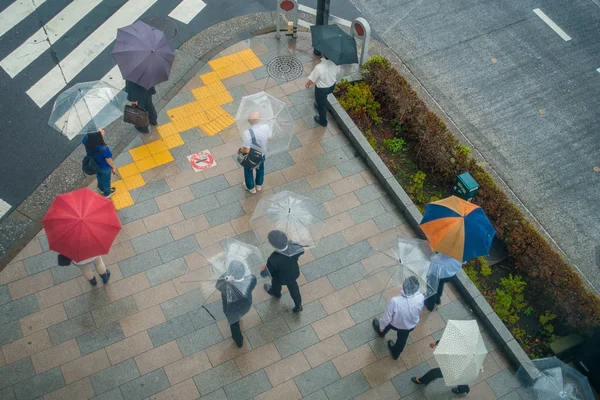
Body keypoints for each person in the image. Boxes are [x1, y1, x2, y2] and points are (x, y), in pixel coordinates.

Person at [372, 276, 425, 360]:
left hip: (395, 323)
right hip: (410, 325)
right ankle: (396, 353)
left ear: (404, 286)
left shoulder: (395, 301)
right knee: (402, 340)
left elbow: (387, 318)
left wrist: (382, 327)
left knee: (386, 325)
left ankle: (381, 332)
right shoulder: (421, 297)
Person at [215, 261, 257, 348]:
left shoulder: (227, 287)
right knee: (239, 316)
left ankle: (238, 340)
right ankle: (240, 318)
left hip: (231, 311)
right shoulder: (252, 279)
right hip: (245, 306)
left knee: (234, 325)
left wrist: (226, 279)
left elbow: (218, 286)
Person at [260, 230, 304, 312]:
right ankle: (298, 305)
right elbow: (301, 250)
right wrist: (291, 242)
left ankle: (276, 293)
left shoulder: (273, 258)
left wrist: (263, 271)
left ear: (272, 244)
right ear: (286, 238)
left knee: (275, 284)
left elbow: (268, 272)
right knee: (294, 289)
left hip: (279, 278)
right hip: (293, 273)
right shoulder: (294, 246)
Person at [237, 111, 273, 194]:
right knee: (260, 169)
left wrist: (239, 151)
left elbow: (246, 150)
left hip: (250, 157)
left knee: (248, 171)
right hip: (262, 154)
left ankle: (251, 188)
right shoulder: (266, 127)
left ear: (249, 121)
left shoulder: (247, 133)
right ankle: (259, 185)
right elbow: (270, 139)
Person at [305, 54, 340, 127]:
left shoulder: (319, 67)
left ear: (323, 55)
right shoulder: (335, 62)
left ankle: (323, 121)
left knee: (321, 105)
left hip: (321, 89)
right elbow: (338, 71)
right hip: (332, 85)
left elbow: (312, 79)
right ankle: (319, 105)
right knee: (323, 100)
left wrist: (308, 84)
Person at [82, 130, 117, 198]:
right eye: (100, 131)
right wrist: (113, 167)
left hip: (94, 165)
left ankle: (100, 188)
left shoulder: (86, 139)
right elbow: (109, 160)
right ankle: (107, 194)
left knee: (99, 176)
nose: (102, 130)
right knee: (106, 181)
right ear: (98, 136)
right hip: (104, 167)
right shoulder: (104, 149)